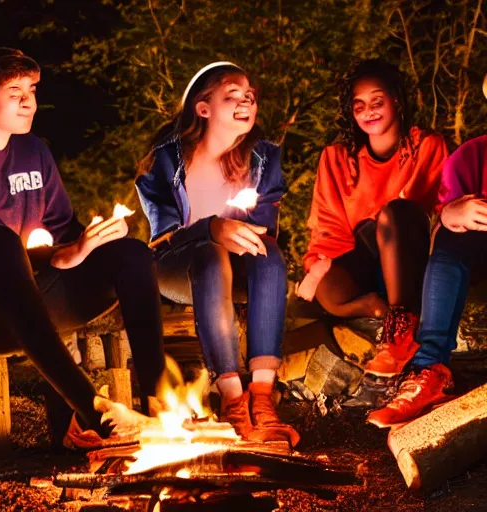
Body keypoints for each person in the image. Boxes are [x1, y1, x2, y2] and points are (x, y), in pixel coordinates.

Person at [0, 47, 165, 448]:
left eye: (32, 88)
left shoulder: (34, 151)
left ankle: (161, 404)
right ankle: (93, 409)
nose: (29, 101)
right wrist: (53, 255)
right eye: (14, 92)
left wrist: (85, 244)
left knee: (131, 254)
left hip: (37, 298)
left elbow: (62, 232)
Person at [135, 62, 299, 447]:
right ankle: (232, 399)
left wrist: (233, 230)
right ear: (203, 108)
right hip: (180, 265)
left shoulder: (263, 157)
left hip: (239, 266)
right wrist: (212, 227)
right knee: (210, 255)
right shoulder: (165, 160)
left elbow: (263, 226)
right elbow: (165, 239)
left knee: (270, 253)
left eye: (250, 97)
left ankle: (262, 397)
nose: (245, 101)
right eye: (232, 95)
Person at [297, 58, 448, 378]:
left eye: (377, 101)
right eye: (359, 105)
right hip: (365, 260)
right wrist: (318, 266)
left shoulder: (427, 147)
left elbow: (438, 214)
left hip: (410, 260)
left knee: (394, 213)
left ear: (396, 99)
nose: (369, 111)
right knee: (327, 288)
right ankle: (369, 306)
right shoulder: (337, 158)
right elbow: (329, 226)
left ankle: (401, 326)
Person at [367, 74, 487, 427]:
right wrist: (453, 212)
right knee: (451, 240)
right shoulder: (473, 155)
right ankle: (429, 371)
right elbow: (444, 212)